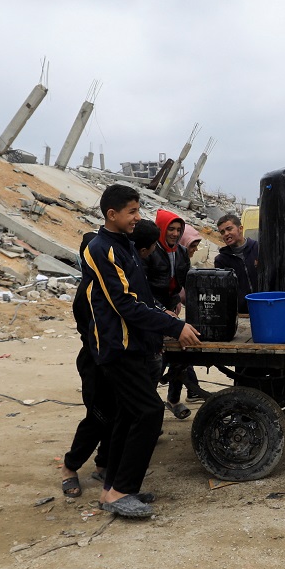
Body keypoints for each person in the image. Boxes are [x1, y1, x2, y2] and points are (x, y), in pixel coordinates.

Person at [81, 185, 201, 518]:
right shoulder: (101, 248)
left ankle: (114, 490)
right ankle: (120, 491)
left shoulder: (126, 245)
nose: (138, 217)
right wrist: (174, 327)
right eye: (132, 211)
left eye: (138, 210)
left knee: (129, 415)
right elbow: (124, 305)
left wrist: (164, 318)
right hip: (117, 347)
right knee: (149, 412)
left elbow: (142, 297)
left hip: (136, 343)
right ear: (112, 214)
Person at [59, 220, 161, 499]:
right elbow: (96, 331)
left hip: (114, 355)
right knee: (99, 417)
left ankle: (106, 470)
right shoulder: (87, 294)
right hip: (97, 360)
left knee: (122, 415)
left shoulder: (116, 282)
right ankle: (70, 467)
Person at [146, 208, 205, 418]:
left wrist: (174, 305)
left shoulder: (180, 252)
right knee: (154, 360)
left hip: (170, 310)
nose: (174, 233)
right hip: (150, 312)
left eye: (178, 229)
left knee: (182, 352)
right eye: (170, 228)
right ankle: (148, 411)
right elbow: (143, 288)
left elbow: (181, 283)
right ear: (162, 228)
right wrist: (161, 310)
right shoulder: (149, 251)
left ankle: (173, 399)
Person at [215, 213, 260, 313]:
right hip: (239, 314)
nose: (226, 234)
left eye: (229, 229)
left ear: (240, 228)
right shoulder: (221, 260)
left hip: (264, 307)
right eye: (222, 232)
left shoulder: (258, 249)